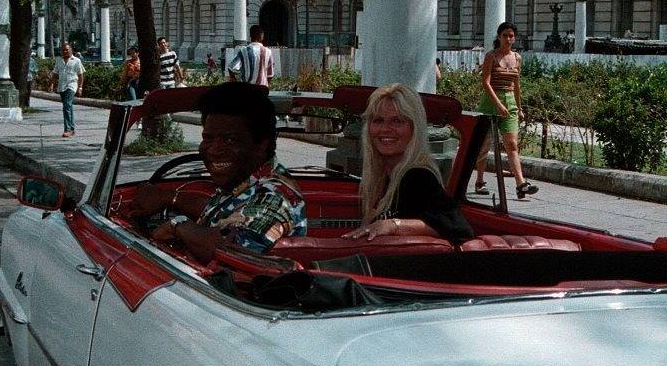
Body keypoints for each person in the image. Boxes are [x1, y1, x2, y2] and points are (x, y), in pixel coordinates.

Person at [131, 81, 306, 259]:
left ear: (261, 144)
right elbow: (220, 213)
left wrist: (177, 225)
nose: (214, 149)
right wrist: (169, 198)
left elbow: (230, 249)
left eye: (229, 140)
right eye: (208, 138)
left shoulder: (273, 196)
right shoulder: (244, 180)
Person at [342, 84, 472, 246]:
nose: (385, 129)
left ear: (414, 128)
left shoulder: (417, 176)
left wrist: (392, 225)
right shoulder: (384, 177)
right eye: (378, 120)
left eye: (397, 121)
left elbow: (459, 228)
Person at [471, 21, 538, 200]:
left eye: (511, 36)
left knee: (512, 144)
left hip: (510, 103)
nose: (508, 39)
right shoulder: (491, 56)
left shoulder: (517, 58)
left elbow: (516, 84)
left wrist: (519, 106)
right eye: (505, 35)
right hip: (490, 103)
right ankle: (479, 181)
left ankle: (520, 184)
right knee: (484, 145)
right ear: (499, 37)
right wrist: (498, 105)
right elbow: (485, 82)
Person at [54, 40, 85, 138]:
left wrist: (80, 87)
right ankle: (72, 128)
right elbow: (55, 73)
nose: (65, 52)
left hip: (72, 86)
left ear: (71, 50)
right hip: (61, 86)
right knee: (68, 107)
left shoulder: (76, 61)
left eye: (67, 50)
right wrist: (51, 85)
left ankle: (67, 129)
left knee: (66, 106)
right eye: (63, 50)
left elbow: (80, 75)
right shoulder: (59, 60)